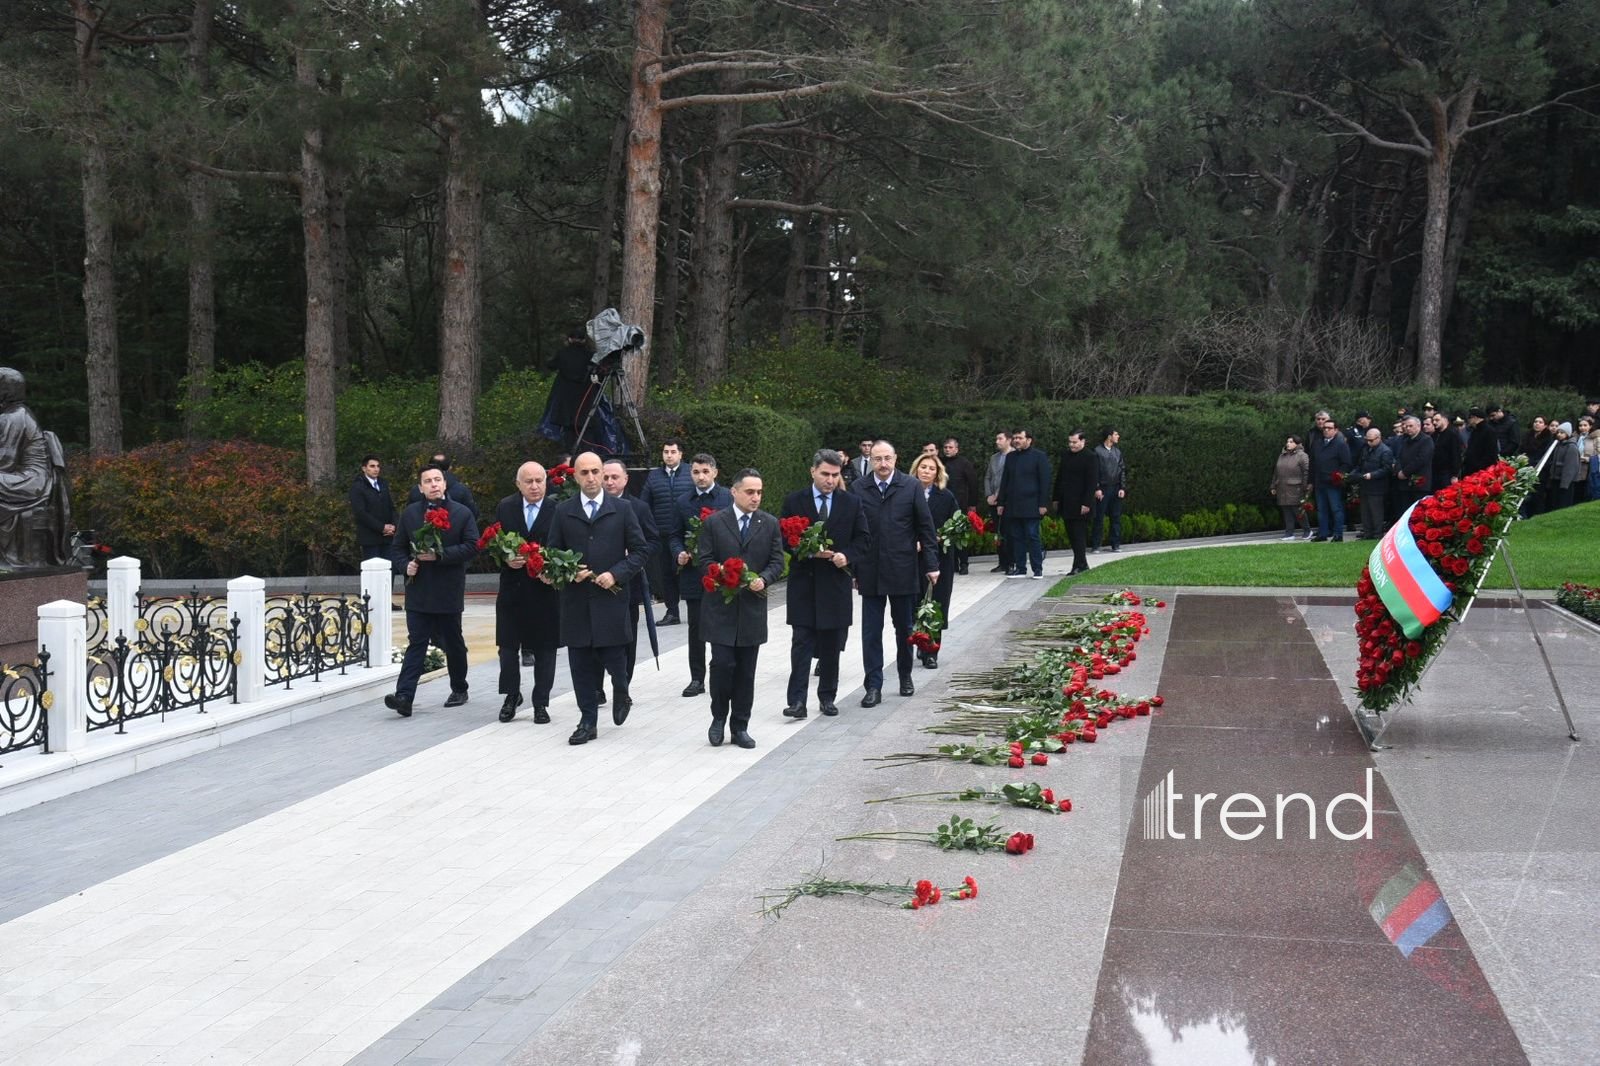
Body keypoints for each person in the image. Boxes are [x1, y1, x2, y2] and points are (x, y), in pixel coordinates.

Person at [544, 451, 649, 746]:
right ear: (575, 476)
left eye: (595, 472)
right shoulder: (563, 511)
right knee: (580, 663)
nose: (590, 478)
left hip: (611, 599)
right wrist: (568, 571)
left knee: (615, 659)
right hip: (577, 601)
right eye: (584, 473)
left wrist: (616, 573)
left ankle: (621, 690)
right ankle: (587, 720)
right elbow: (552, 553)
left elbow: (641, 550)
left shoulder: (622, 509)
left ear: (603, 474)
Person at [696, 468, 784, 749]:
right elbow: (704, 559)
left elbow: (777, 562)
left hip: (751, 610)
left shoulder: (769, 523)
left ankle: (740, 725)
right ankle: (718, 718)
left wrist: (764, 579)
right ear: (734, 492)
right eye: (750, 492)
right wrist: (720, 572)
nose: (755, 497)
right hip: (721, 608)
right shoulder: (715, 523)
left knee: (746, 671)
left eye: (759, 492)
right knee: (722, 665)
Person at [781, 449, 870, 720]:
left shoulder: (850, 503)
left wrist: (847, 556)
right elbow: (783, 539)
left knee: (832, 645)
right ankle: (796, 701)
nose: (830, 480)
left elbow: (863, 539)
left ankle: (827, 696)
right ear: (813, 472)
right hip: (804, 585)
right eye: (825, 474)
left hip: (835, 584)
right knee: (801, 645)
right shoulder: (794, 501)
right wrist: (806, 551)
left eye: (835, 475)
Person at [385, 464, 478, 717]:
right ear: (420, 487)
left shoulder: (461, 513)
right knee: (417, 642)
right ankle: (404, 696)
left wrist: (440, 555)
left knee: (453, 641)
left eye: (438, 479)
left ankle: (459, 687)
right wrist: (406, 566)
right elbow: (397, 548)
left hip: (448, 588)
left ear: (445, 484)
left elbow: (471, 546)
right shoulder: (411, 514)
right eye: (428, 481)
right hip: (419, 591)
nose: (434, 484)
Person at [852, 440, 939, 706]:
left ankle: (905, 676)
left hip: (903, 568)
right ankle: (873, 685)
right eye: (877, 459)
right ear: (871, 460)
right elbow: (854, 531)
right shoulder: (859, 487)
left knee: (904, 628)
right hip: (870, 570)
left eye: (887, 458)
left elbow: (926, 526)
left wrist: (932, 564)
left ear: (896, 458)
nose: (883, 464)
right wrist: (854, 569)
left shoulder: (910, 486)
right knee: (871, 632)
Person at [492, 462, 560, 724]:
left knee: (546, 647)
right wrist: (506, 559)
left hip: (544, 590)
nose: (534, 486)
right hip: (513, 588)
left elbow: (563, 544)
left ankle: (541, 702)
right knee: (507, 647)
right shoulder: (506, 507)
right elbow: (496, 544)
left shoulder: (557, 509)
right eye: (528, 481)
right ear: (518, 484)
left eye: (539, 480)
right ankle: (511, 695)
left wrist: (552, 569)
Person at [671, 453, 732, 699]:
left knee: (722, 625)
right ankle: (697, 678)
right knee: (696, 628)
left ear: (715, 472)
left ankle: (722, 669)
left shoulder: (728, 497)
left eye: (705, 471)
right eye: (696, 472)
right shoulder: (683, 501)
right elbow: (674, 534)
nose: (701, 476)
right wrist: (678, 553)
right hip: (694, 574)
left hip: (723, 574)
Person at [0, 367, 72, 568]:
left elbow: (5, 461)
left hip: (32, 480)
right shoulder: (14, 414)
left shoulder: (14, 416)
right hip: (21, 477)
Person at [603, 457, 657, 688]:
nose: (609, 481)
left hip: (629, 582)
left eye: (614, 477)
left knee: (628, 636)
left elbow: (653, 540)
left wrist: (634, 554)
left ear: (626, 479)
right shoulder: (591, 507)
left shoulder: (638, 508)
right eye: (605, 477)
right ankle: (597, 687)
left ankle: (623, 684)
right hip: (597, 582)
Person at [910, 453, 957, 668]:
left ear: (938, 473)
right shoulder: (906, 493)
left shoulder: (946, 496)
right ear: (916, 469)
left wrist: (935, 539)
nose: (927, 471)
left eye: (931, 468)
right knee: (915, 603)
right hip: (911, 558)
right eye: (923, 467)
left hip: (939, 559)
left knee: (935, 604)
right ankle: (919, 643)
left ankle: (932, 652)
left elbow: (957, 526)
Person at [639, 438, 693, 625]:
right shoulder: (654, 476)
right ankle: (672, 612)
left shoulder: (690, 472)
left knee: (688, 571)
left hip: (686, 534)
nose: (669, 456)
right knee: (667, 574)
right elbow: (645, 503)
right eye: (665, 452)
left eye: (672, 452)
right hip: (662, 532)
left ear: (680, 454)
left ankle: (696, 608)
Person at [998, 427, 1052, 577]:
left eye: (1020, 438)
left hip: (1032, 504)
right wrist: (1001, 503)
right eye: (1015, 438)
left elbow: (1045, 481)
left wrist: (1043, 504)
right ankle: (1020, 568)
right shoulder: (1011, 457)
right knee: (1016, 537)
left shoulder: (1039, 456)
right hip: (1013, 505)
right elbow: (1005, 481)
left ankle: (1037, 569)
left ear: (1028, 440)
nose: (1016, 440)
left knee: (1032, 536)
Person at [540, 326, 593, 453]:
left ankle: (569, 455)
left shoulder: (562, 353)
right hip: (585, 398)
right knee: (584, 427)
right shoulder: (589, 355)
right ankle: (585, 454)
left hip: (566, 399)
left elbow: (551, 365)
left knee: (568, 428)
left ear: (569, 339)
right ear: (583, 340)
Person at [1054, 430, 1098, 572]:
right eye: (1070, 442)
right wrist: (1056, 498)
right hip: (1067, 502)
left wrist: (1086, 503)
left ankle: (1077, 565)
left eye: (1075, 442)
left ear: (1083, 441)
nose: (1071, 445)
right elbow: (1060, 478)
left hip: (1081, 503)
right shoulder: (1066, 455)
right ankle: (1082, 564)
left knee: (1079, 535)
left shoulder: (1090, 457)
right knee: (1071, 535)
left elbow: (1091, 482)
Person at [940, 437, 981, 575]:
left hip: (961, 505)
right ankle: (952, 565)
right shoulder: (940, 463)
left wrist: (972, 504)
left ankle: (964, 564)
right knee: (946, 536)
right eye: (945, 447)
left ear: (957, 449)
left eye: (950, 447)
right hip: (944, 505)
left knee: (961, 535)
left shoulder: (964, 463)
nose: (947, 450)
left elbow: (973, 484)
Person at [348, 454, 397, 562]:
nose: (376, 469)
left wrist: (393, 526)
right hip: (370, 538)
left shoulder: (383, 484)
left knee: (389, 571)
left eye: (378, 466)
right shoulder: (358, 487)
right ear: (364, 468)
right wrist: (381, 527)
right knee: (373, 572)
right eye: (372, 466)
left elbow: (391, 507)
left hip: (388, 537)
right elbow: (361, 513)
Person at [1309, 418, 1352, 542]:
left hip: (1333, 482)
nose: (1326, 430)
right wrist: (1311, 481)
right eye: (1324, 428)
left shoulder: (1340, 444)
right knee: (1321, 509)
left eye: (1329, 428)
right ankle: (1323, 533)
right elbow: (1313, 463)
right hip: (1319, 481)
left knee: (1336, 508)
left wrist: (1338, 475)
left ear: (1336, 430)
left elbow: (1346, 463)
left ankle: (1338, 534)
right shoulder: (1317, 443)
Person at [1089, 427, 1126, 555]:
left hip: (1115, 488)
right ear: (1109, 436)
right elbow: (1094, 471)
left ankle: (1115, 544)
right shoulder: (1097, 451)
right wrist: (1097, 488)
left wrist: (1122, 487)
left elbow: (1122, 470)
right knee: (1099, 518)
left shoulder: (1117, 452)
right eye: (1116, 434)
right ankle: (1096, 545)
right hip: (1103, 489)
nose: (1118, 436)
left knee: (1115, 517)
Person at [1352, 428, 1394, 539]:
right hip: (1365, 485)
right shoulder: (1366, 449)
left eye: (1371, 440)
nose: (1368, 442)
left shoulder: (1385, 451)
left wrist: (1372, 475)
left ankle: (1377, 534)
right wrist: (1354, 474)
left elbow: (1386, 469)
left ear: (1379, 438)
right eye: (1367, 440)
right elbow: (1360, 464)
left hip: (1377, 487)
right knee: (1365, 511)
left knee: (1376, 512)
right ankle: (1367, 533)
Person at [407, 452, 476, 516]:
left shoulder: (416, 490)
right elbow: (473, 514)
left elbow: (409, 515)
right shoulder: (462, 490)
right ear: (450, 467)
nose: (434, 485)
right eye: (428, 481)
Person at [1269, 435, 1311, 540]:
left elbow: (1306, 472)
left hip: (1296, 487)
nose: (1288, 444)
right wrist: (1273, 485)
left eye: (1291, 442)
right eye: (1287, 441)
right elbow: (1276, 472)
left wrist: (1305, 486)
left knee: (1298, 510)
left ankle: (1307, 530)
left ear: (1297, 443)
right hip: (1282, 487)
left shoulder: (1302, 456)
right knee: (1286, 510)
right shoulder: (1282, 455)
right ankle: (1289, 533)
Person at [1392, 415, 1434, 516]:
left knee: (1418, 513)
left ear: (1418, 426)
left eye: (1410, 426)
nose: (1408, 428)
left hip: (1418, 483)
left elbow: (1421, 459)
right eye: (1406, 426)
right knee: (1404, 512)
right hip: (1404, 484)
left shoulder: (1426, 440)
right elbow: (1399, 457)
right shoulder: (1405, 440)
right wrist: (1398, 471)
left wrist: (1405, 472)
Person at [983, 431, 1011, 572]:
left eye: (1000, 438)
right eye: (996, 438)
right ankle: (1002, 562)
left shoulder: (1013, 456)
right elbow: (988, 477)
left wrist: (998, 496)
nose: (997, 441)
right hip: (993, 500)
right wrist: (989, 495)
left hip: (1006, 500)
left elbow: (1008, 479)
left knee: (1008, 531)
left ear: (1008, 440)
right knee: (998, 532)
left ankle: (1011, 562)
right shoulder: (994, 458)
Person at [1540, 423, 1582, 511]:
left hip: (1565, 483)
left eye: (1562, 432)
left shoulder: (1571, 447)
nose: (1559, 434)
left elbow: (1570, 468)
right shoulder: (1558, 445)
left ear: (1567, 434)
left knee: (1563, 504)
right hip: (1555, 479)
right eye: (1558, 432)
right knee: (1554, 503)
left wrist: (1565, 484)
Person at [1461, 407, 1499, 477]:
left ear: (1474, 418)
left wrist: (1479, 467)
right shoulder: (1475, 431)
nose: (1468, 421)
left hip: (1480, 471)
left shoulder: (1489, 431)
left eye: (1469, 418)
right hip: (1471, 469)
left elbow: (1491, 454)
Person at [1430, 410, 1462, 488]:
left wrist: (1455, 475)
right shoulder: (1434, 435)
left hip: (1447, 473)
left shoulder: (1452, 434)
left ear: (1445, 420)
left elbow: (1456, 455)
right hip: (1435, 472)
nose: (1434, 422)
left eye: (1437, 420)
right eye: (1433, 420)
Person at [1578, 415, 1599, 503]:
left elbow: (1598, 455)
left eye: (1585, 425)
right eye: (1580, 425)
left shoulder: (1596, 438)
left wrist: (1588, 459)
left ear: (1590, 426)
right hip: (1577, 469)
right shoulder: (1576, 437)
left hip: (1589, 470)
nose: (1582, 428)